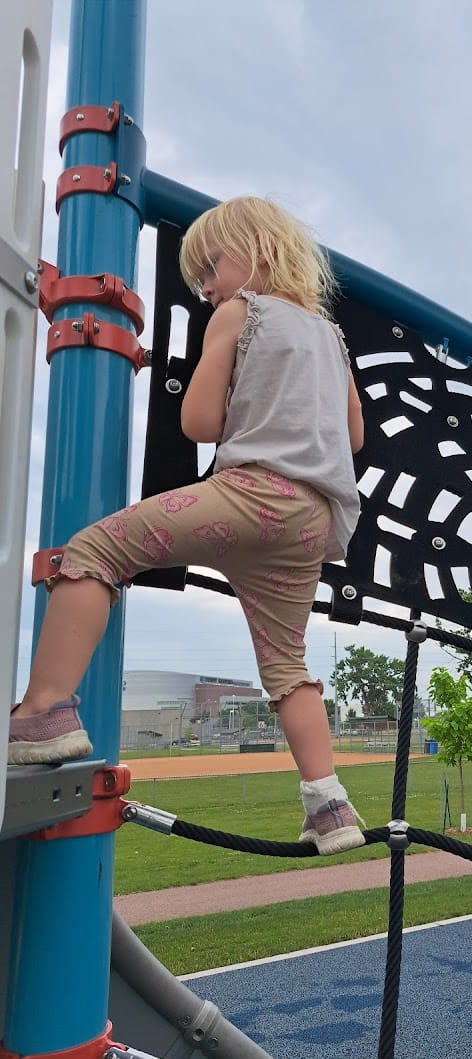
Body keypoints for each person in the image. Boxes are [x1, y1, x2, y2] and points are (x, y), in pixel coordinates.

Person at [8, 195, 366, 856]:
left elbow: (198, 422)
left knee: (94, 550)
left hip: (251, 497)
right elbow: (355, 434)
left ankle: (43, 711)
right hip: (315, 523)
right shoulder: (330, 335)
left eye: (211, 268)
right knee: (287, 665)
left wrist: (233, 393)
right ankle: (329, 803)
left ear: (259, 251)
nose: (204, 287)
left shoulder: (240, 312)